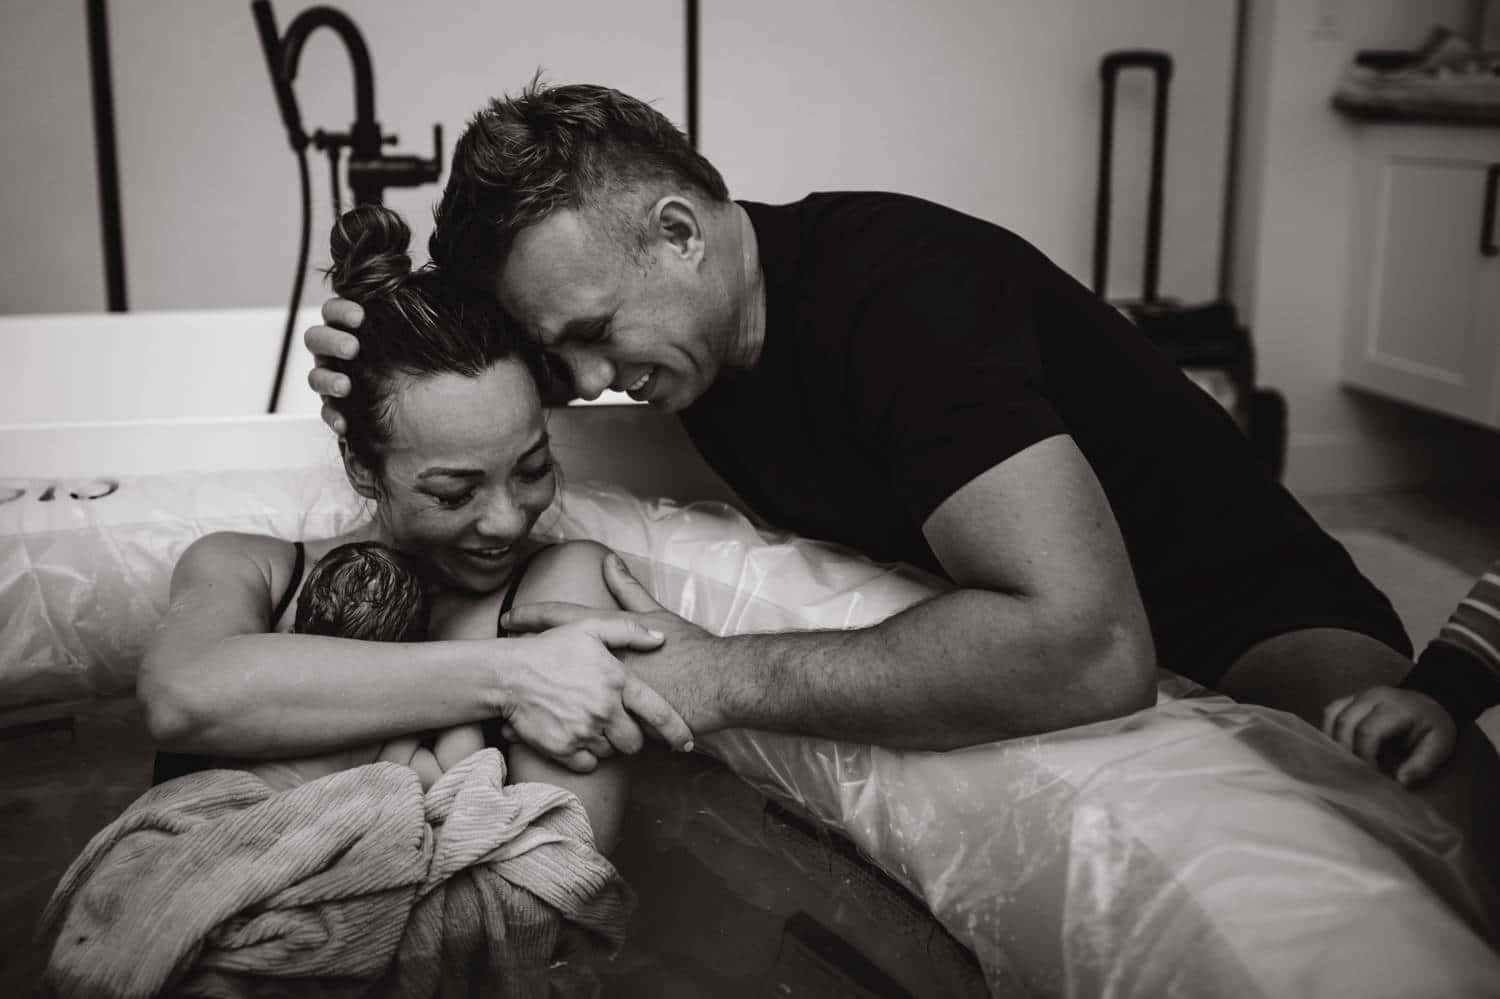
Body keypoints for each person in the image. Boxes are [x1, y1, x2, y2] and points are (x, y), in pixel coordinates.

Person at [304, 83, 1498, 818]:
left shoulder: (901, 299)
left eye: (590, 339)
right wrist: (378, 369)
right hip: (1038, 613)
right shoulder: (695, 336)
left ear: (679, 232)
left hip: (1253, 622)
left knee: (1422, 816)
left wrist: (717, 677)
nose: (583, 381)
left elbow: (1087, 648)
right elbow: (488, 436)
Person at [140, 204, 694, 852]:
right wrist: (515, 674)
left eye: (533, 467)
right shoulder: (253, 570)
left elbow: (553, 892)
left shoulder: (561, 582)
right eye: (454, 491)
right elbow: (179, 697)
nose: (509, 518)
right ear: (362, 468)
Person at [228, 540, 486, 792]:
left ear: (291, 631)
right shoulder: (385, 727)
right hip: (303, 811)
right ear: (407, 658)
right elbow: (455, 777)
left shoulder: (275, 672)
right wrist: (459, 703)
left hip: (236, 790)